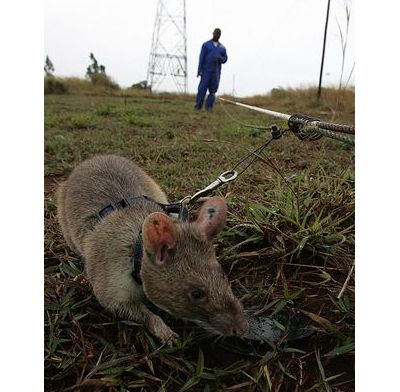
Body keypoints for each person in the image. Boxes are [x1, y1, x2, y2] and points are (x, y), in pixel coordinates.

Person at [195, 28, 227, 112]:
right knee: (202, 89)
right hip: (206, 71)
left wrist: (220, 59)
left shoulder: (222, 48)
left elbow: (225, 58)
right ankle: (198, 106)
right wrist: (199, 70)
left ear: (220, 35)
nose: (216, 35)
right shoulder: (206, 45)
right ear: (213, 33)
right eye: (215, 33)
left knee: (213, 91)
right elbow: (201, 58)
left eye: (218, 34)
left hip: (216, 73)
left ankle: (209, 107)